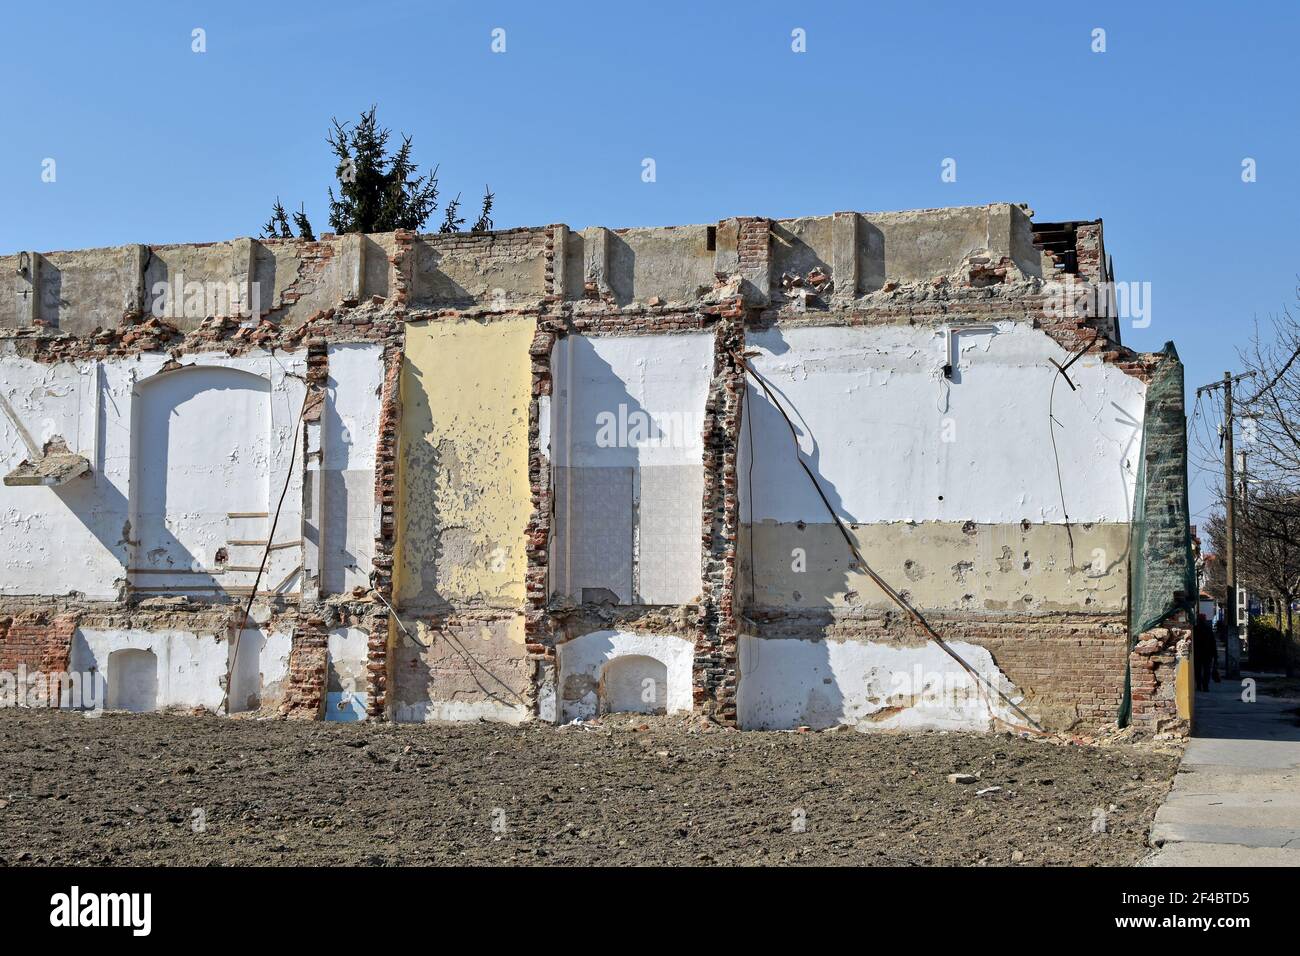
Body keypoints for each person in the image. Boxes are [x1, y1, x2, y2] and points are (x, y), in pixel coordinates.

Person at [1194, 613, 1216, 692]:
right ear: (1205, 620)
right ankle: (1205, 686)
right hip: (1207, 654)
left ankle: (1199, 685)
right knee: (1207, 671)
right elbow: (1213, 643)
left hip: (1197, 654)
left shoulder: (1195, 629)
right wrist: (1215, 655)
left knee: (1198, 670)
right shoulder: (1208, 629)